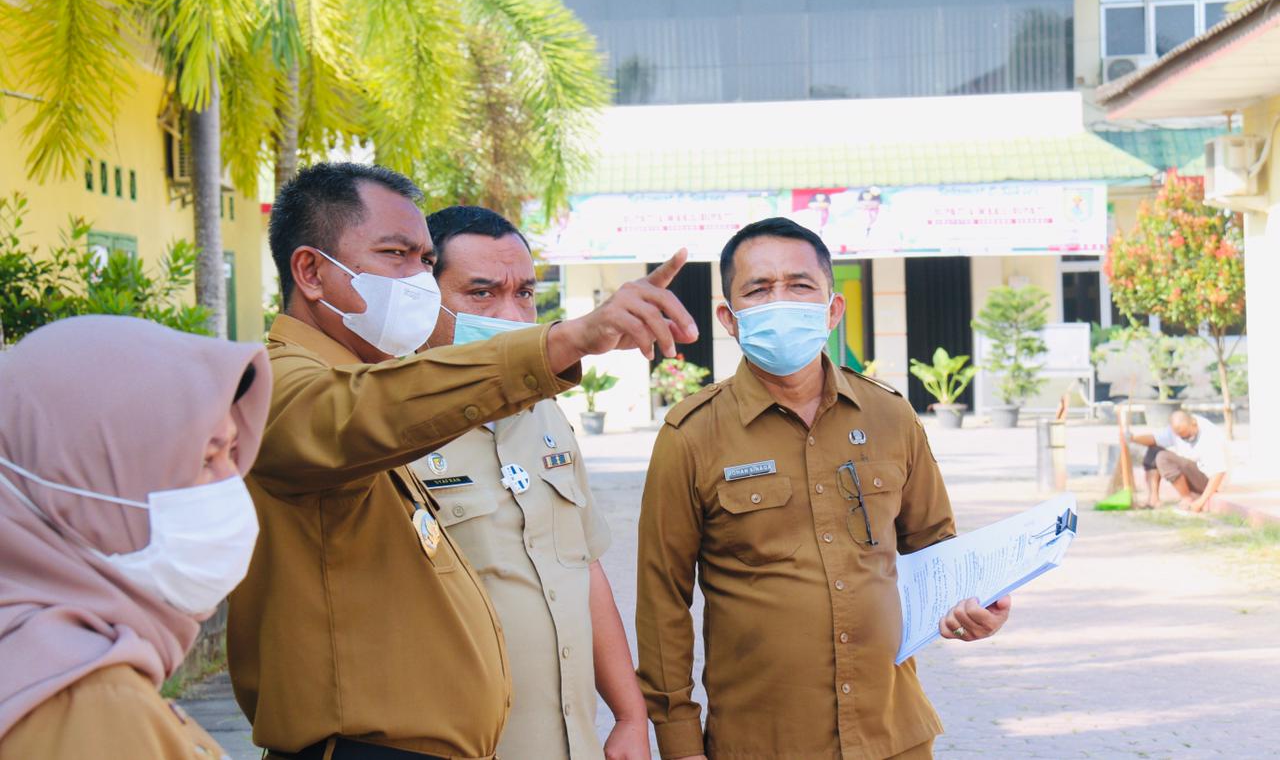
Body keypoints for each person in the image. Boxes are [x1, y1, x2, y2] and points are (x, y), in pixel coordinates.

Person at [229, 163, 695, 760]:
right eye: (397, 255)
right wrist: (566, 341)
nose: (416, 280)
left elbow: (578, 566)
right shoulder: (275, 384)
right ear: (312, 272)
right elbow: (356, 413)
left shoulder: (502, 409)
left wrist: (628, 713)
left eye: (423, 261)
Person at [635, 218, 1012, 760]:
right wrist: (679, 740)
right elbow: (662, 600)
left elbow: (939, 550)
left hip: (893, 734)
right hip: (763, 741)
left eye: (799, 285)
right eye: (759, 289)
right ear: (730, 318)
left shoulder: (890, 415)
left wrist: (975, 605)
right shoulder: (691, 435)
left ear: (832, 309)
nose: (780, 300)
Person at [414, 206, 649, 760]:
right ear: (423, 297)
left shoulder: (543, 411)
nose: (511, 316)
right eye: (481, 293)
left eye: (524, 293)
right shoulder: (389, 432)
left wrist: (630, 715)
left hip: (570, 744)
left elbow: (581, 564)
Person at [0, 315, 270, 758]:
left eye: (232, 453)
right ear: (84, 489)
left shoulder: (36, 661)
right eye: (206, 459)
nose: (231, 482)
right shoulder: (88, 706)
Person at [1129, 409, 1229, 512]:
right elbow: (1155, 439)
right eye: (1180, 436)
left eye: (1186, 435)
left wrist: (1201, 501)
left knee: (1163, 457)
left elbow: (1219, 472)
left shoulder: (1210, 435)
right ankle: (1153, 499)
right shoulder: (1177, 429)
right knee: (1154, 450)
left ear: (1193, 423)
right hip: (1192, 472)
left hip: (1209, 481)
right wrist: (1132, 438)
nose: (1183, 438)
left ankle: (1187, 498)